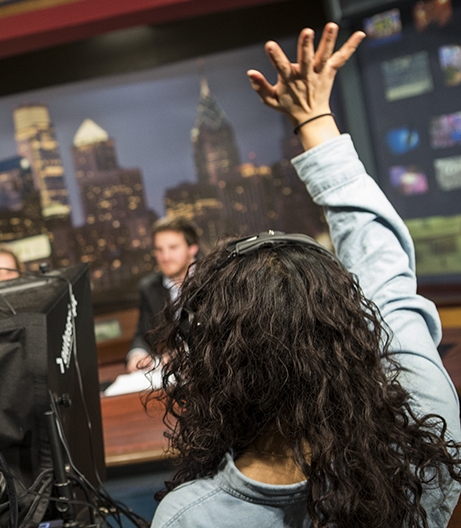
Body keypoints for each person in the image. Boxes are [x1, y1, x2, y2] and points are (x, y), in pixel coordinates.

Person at [151, 23, 461, 527]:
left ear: (217, 366)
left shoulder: (189, 517)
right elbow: (384, 267)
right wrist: (315, 117)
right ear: (350, 335)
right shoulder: (427, 426)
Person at [126, 216, 200, 373]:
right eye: (159, 250)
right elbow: (143, 334)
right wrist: (137, 355)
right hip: (171, 375)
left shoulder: (212, 279)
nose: (165, 257)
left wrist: (186, 352)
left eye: (173, 248)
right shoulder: (149, 288)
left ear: (192, 248)